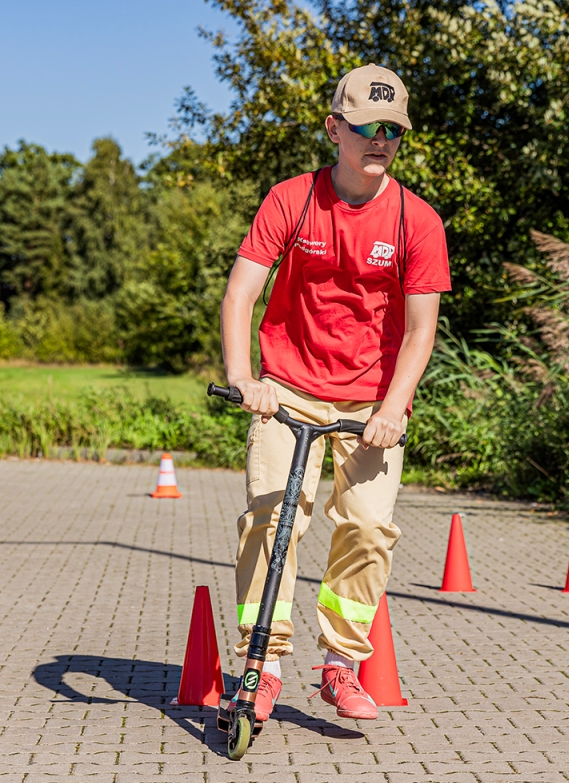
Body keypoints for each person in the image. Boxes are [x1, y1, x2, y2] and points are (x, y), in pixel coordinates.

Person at [220, 63, 450, 721]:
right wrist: (244, 378)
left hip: (371, 403)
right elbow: (241, 294)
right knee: (272, 518)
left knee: (369, 527)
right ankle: (263, 664)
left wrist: (393, 408)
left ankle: (341, 665)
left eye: (393, 131)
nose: (381, 141)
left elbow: (421, 330)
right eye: (368, 127)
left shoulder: (416, 220)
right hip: (287, 388)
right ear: (334, 128)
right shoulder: (291, 200)